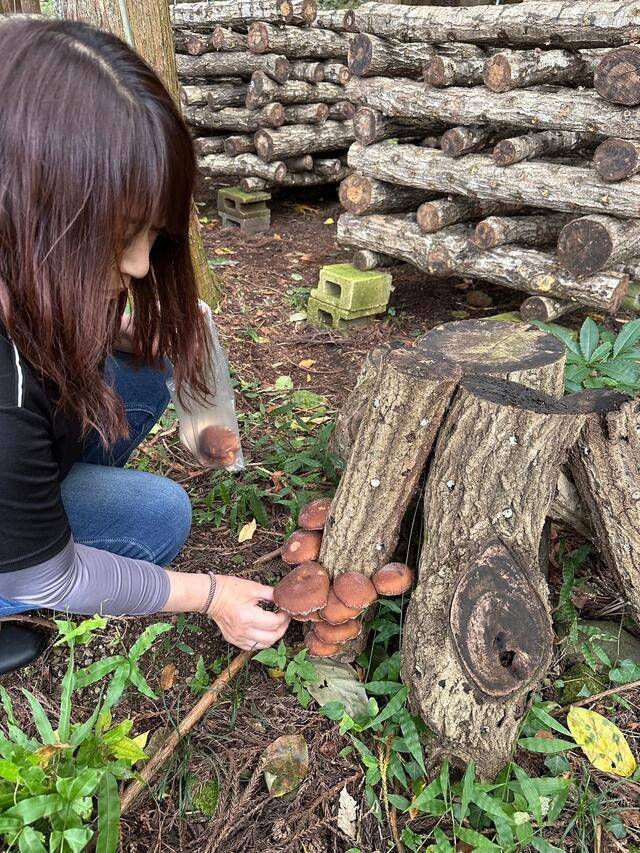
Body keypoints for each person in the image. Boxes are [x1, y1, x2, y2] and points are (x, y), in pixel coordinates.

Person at [0, 16, 290, 652]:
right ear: (28, 203)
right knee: (158, 516)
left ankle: (49, 496)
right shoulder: (6, 394)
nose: (137, 265)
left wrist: (184, 380)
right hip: (17, 544)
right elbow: (53, 575)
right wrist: (212, 593)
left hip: (22, 459)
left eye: (151, 235)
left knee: (145, 361)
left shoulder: (23, 270)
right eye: (119, 232)